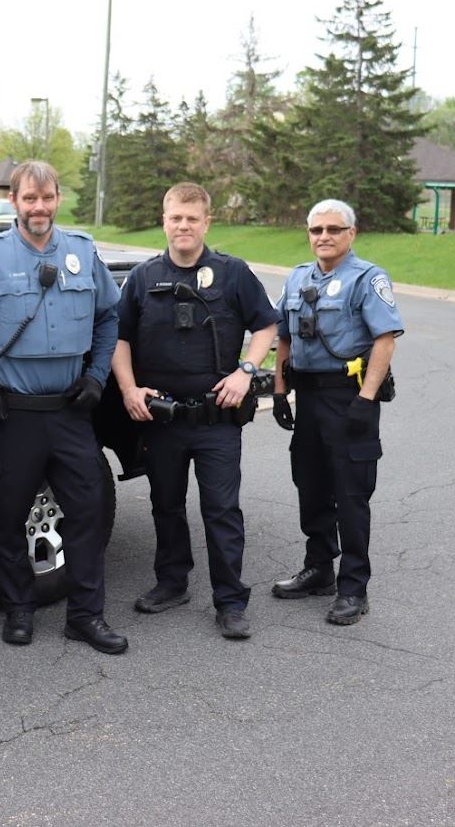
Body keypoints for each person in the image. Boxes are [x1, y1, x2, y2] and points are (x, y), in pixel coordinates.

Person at [0, 160, 127, 654]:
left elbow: (109, 318)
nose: (38, 208)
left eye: (46, 198)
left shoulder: (83, 252)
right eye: (29, 199)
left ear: (58, 198)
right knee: (7, 517)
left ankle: (86, 616)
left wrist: (96, 377)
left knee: (87, 515)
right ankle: (19, 608)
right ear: (14, 201)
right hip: (15, 414)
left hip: (70, 412)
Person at [111, 183, 278, 640]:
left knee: (221, 510)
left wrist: (247, 370)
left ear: (207, 222)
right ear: (164, 220)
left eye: (191, 218)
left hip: (216, 421)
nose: (182, 226)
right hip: (161, 419)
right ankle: (172, 582)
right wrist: (128, 389)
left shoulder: (233, 273)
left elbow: (266, 324)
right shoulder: (143, 278)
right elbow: (119, 338)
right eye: (174, 218)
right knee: (165, 505)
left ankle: (230, 602)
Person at [271, 199, 404, 625]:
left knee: (350, 493)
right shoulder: (296, 279)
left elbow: (385, 339)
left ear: (351, 234)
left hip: (349, 396)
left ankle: (353, 587)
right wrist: (278, 390)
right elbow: (283, 337)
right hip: (307, 398)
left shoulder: (367, 278)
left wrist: (365, 400)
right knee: (310, 486)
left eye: (333, 229)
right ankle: (319, 569)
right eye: (316, 230)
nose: (323, 237)